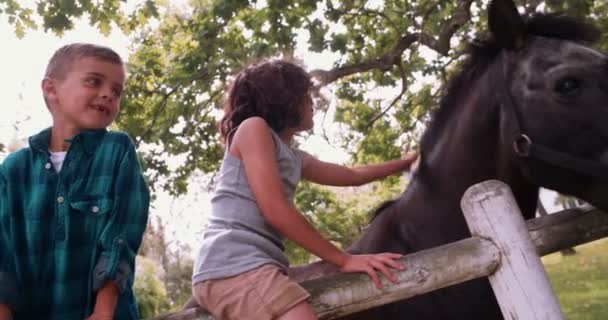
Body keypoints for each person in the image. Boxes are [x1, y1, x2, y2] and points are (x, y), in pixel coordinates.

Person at [192, 59, 419, 320]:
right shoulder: (253, 129)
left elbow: (353, 175)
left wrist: (405, 162)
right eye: (304, 95)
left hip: (252, 266)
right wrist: (343, 259)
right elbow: (275, 210)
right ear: (282, 99)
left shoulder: (294, 157)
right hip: (232, 265)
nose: (313, 102)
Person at [0, 43, 150, 320]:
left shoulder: (117, 151)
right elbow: (3, 256)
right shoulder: (13, 170)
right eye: (94, 81)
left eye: (116, 91)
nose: (108, 94)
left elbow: (121, 238)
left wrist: (103, 312)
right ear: (51, 89)